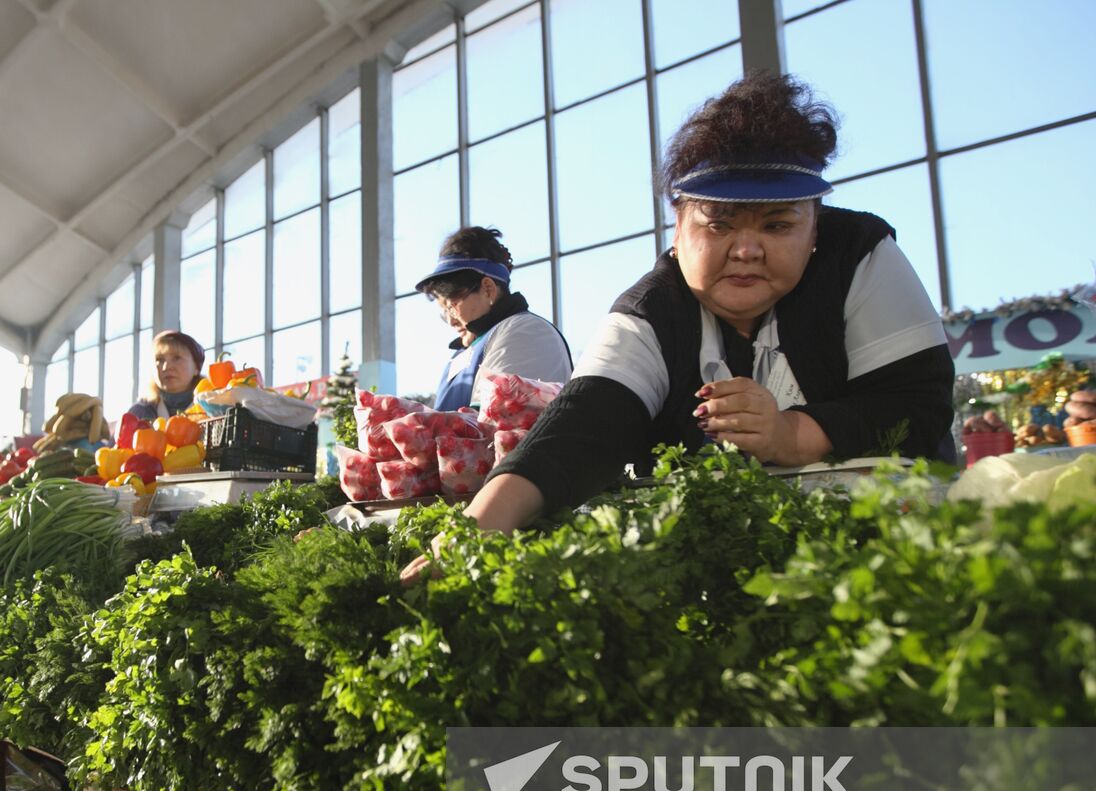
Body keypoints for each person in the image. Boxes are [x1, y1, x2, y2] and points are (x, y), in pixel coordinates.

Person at [402, 74, 954, 578]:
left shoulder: (860, 255)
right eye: (718, 224)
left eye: (778, 224)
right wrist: (470, 538)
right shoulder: (649, 309)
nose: (746, 250)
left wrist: (790, 434)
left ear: (814, 227)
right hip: (722, 573)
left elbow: (917, 402)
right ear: (679, 224)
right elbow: (581, 423)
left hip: (889, 555)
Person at [415, 226, 572, 411]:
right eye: (444, 311)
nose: (451, 320)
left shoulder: (524, 331)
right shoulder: (465, 352)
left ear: (488, 289)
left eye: (452, 306)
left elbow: (497, 425)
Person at [127, 330, 207, 423]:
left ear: (196, 367)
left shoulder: (215, 409)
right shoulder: (139, 414)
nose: (166, 367)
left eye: (177, 358)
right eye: (160, 360)